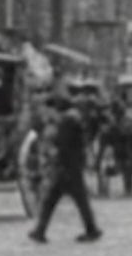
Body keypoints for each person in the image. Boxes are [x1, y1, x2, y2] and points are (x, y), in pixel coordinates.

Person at [28, 89, 102, 245]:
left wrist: (58, 162)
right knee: (73, 200)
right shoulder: (72, 119)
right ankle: (90, 229)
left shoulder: (66, 122)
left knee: (54, 200)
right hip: (71, 166)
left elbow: (63, 145)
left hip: (66, 166)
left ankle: (40, 231)